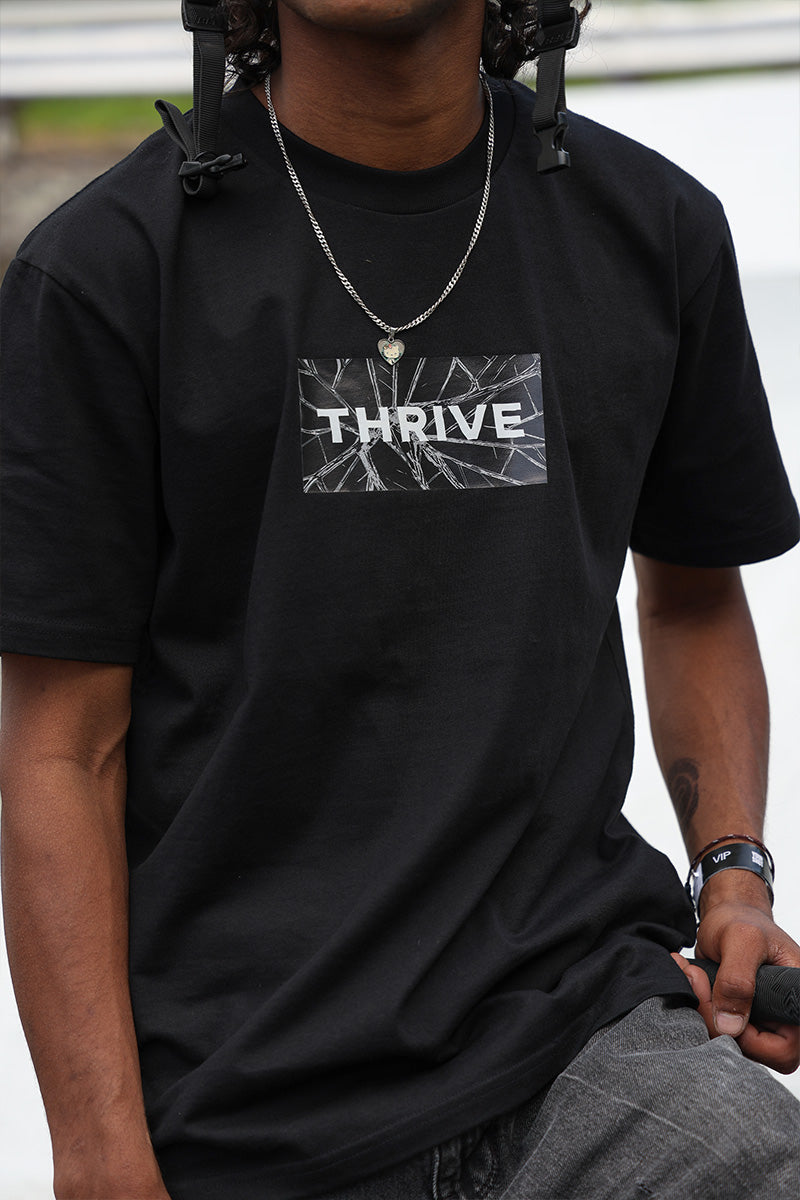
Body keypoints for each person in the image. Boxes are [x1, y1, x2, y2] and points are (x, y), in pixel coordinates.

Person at [1, 1, 799, 1198]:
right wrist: (98, 1155)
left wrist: (730, 872)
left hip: (578, 1029)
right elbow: (62, 749)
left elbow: (690, 599)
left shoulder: (650, 226)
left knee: (753, 1162)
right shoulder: (107, 272)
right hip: (248, 1094)